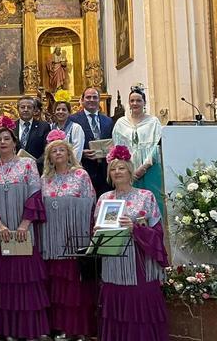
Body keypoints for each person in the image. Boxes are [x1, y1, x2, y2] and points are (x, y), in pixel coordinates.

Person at [0, 116, 50, 341]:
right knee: (6, 283)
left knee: (27, 282)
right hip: (1, 233)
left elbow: (34, 194)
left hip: (24, 232)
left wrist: (24, 223)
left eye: (6, 139)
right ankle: (9, 329)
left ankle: (30, 329)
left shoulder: (27, 165)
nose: (3, 142)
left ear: (14, 142)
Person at [95, 146, 168, 340]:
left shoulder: (145, 196)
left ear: (130, 170)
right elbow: (98, 234)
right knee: (115, 307)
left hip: (139, 266)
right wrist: (98, 232)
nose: (117, 172)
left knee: (140, 305)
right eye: (113, 169)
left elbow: (158, 233)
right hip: (113, 264)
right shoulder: (104, 199)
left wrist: (135, 228)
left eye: (121, 168)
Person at [40, 130, 96, 340]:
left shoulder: (81, 175)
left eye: (62, 149)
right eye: (54, 151)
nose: (58, 153)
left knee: (75, 288)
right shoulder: (45, 178)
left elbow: (91, 203)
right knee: (58, 288)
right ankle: (62, 328)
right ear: (49, 157)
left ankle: (78, 330)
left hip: (75, 238)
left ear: (70, 153)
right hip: (53, 241)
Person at [112, 85, 164, 215]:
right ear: (128, 103)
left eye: (138, 100)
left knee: (154, 202)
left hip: (150, 168)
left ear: (144, 103)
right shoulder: (120, 123)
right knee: (130, 204)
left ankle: (155, 233)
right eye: (132, 101)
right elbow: (117, 147)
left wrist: (144, 167)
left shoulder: (153, 121)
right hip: (128, 170)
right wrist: (127, 168)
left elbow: (157, 146)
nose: (135, 103)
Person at [69, 87, 114, 196]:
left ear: (99, 100)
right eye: (88, 97)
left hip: (105, 171)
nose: (91, 100)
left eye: (95, 97)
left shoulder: (108, 120)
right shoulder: (73, 120)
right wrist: (80, 152)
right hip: (85, 168)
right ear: (82, 100)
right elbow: (67, 144)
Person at [14, 97, 52, 173]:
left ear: (34, 110)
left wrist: (36, 164)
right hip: (14, 169)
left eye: (29, 107)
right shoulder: (11, 126)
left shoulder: (43, 126)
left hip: (37, 169)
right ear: (18, 109)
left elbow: (48, 149)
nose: (25, 110)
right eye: (22, 107)